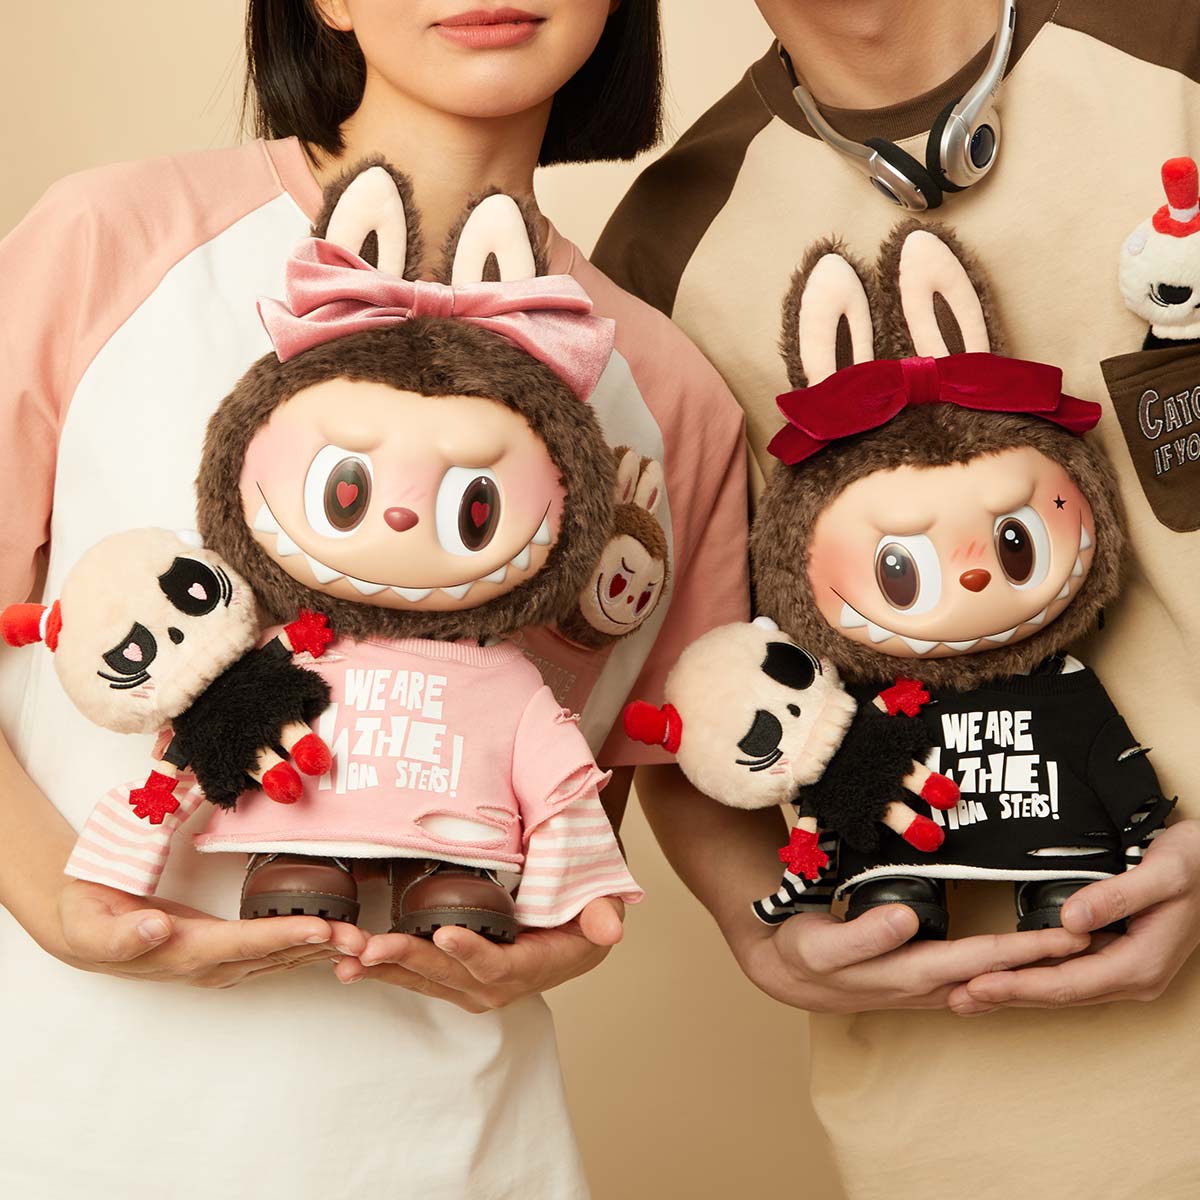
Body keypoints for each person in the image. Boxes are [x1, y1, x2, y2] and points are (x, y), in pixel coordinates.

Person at [0, 3, 749, 1197]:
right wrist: (52, 894)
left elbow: (584, 788)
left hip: (455, 1146)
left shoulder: (668, 390)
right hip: (70, 1114)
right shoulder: (115, 243)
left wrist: (557, 944)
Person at [594, 1, 1200, 1197]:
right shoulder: (666, 251)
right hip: (974, 1118)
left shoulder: (1171, 56)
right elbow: (685, 685)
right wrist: (759, 928)